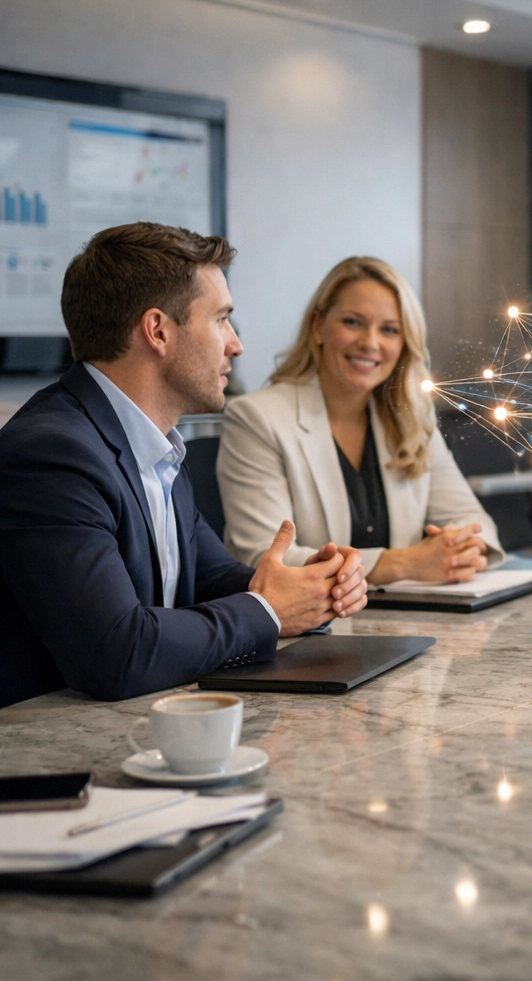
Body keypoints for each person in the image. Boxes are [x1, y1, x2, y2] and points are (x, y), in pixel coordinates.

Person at [0, 223, 367, 709]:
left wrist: (311, 587)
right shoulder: (52, 454)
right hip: (49, 744)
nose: (235, 344)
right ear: (158, 331)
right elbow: (117, 654)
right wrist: (270, 610)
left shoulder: (157, 445)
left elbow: (211, 582)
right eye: (221, 320)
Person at [218, 257, 507, 583]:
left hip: (408, 612)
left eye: (389, 330)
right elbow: (265, 557)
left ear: (404, 343)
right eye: (353, 322)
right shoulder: (257, 419)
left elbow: (472, 521)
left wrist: (463, 550)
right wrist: (402, 564)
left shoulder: (412, 416)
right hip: (309, 617)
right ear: (318, 326)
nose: (370, 343)